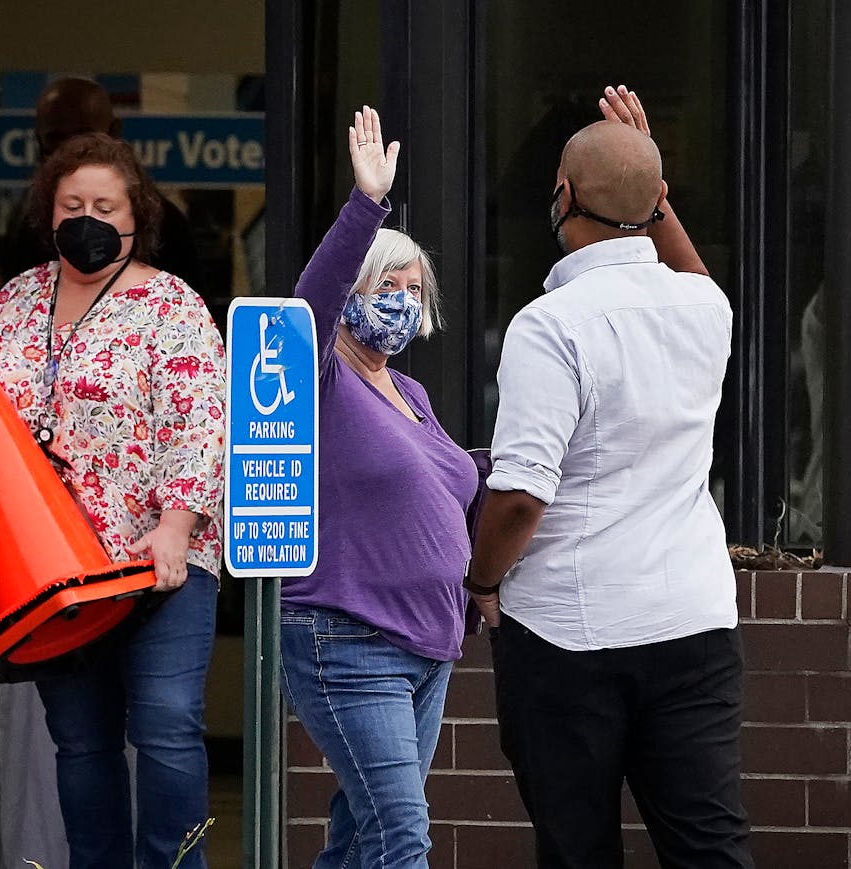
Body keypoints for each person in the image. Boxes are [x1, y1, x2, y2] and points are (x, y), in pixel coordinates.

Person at [0, 131, 226, 869]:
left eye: (106, 204)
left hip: (159, 561)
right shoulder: (15, 301)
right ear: (48, 211)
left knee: (166, 725)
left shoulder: (172, 305)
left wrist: (174, 525)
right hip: (53, 576)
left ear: (138, 216)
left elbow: (200, 423)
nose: (88, 217)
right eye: (73, 203)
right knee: (81, 741)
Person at [465, 86, 754, 868]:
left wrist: (482, 578)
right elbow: (693, 273)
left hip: (567, 628)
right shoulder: (707, 311)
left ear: (561, 198)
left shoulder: (549, 324)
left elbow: (522, 492)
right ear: (660, 202)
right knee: (709, 845)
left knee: (578, 847)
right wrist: (649, 193)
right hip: (693, 619)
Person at [279, 105, 478, 869]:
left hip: (428, 642)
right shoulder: (322, 377)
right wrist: (366, 206)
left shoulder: (412, 395)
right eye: (385, 282)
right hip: (349, 637)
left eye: (413, 286)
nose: (400, 297)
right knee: (403, 836)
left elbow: (456, 482)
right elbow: (311, 302)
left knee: (363, 836)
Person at [0, 77, 213, 327]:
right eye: (71, 207)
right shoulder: (21, 285)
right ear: (39, 143)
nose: (71, 153)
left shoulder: (168, 236)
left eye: (104, 209)